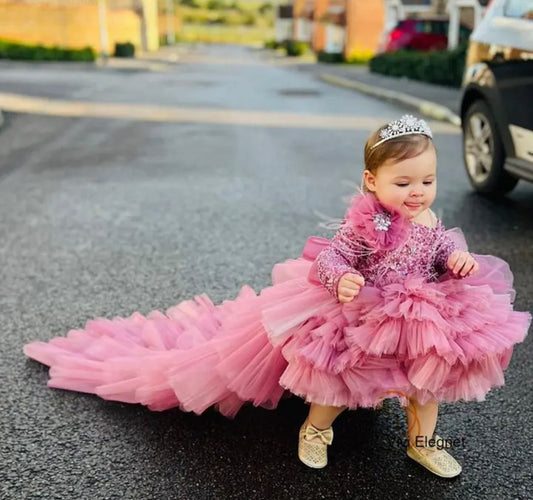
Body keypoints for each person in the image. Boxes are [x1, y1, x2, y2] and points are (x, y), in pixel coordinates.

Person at [24, 115, 530, 479]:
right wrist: (343, 281)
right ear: (372, 183)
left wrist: (455, 261)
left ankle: (422, 443)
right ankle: (316, 430)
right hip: (360, 314)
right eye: (404, 182)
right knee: (340, 380)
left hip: (420, 314)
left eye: (428, 180)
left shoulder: (429, 219)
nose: (418, 191)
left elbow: (442, 249)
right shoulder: (367, 225)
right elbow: (330, 261)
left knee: (426, 380)